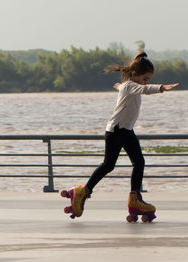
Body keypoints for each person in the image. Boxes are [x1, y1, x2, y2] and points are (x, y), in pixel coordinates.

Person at [61, 51, 179, 222]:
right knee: (109, 164)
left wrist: (120, 88)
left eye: (149, 79)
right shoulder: (131, 86)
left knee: (139, 162)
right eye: (145, 78)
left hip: (126, 130)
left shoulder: (128, 86)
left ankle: (135, 199)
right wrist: (161, 88)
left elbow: (133, 88)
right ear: (134, 75)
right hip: (116, 130)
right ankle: (81, 191)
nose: (146, 82)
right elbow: (142, 89)